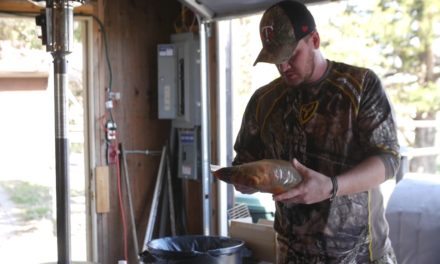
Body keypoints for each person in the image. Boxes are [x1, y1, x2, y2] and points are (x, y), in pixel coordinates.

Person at [232, 1, 401, 263]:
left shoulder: (360, 86)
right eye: (276, 59)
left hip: (360, 254)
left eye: (291, 55)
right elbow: (245, 163)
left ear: (315, 39)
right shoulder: (264, 101)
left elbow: (389, 161)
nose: (284, 66)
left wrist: (331, 187)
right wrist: (246, 180)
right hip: (292, 255)